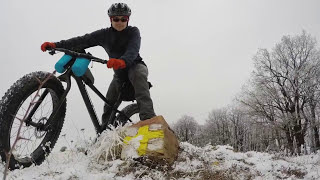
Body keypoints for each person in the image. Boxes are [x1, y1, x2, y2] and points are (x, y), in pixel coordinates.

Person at [41, 3, 156, 123]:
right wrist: (56, 45)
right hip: (119, 75)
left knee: (138, 76)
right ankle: (105, 133)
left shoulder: (133, 31)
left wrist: (123, 61)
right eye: (116, 19)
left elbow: (133, 49)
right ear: (110, 19)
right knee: (108, 105)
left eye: (123, 19)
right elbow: (82, 40)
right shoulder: (104, 35)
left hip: (135, 66)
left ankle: (149, 120)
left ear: (128, 20)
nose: (119, 22)